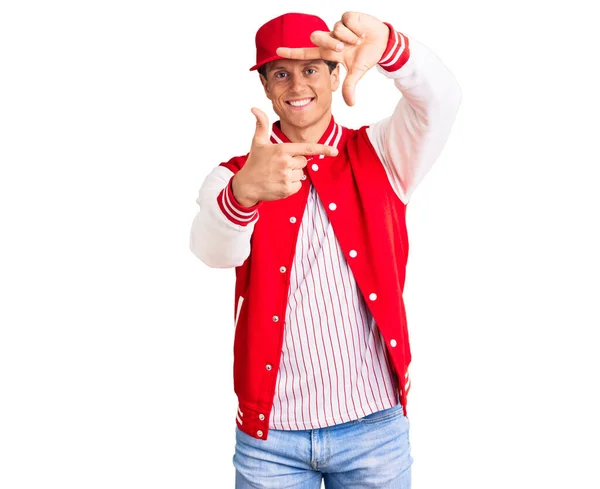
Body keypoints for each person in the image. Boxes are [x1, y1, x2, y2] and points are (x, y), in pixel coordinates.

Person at [189, 10, 461, 489]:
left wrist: (392, 49)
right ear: (267, 88)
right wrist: (243, 194)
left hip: (374, 427)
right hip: (270, 438)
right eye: (281, 73)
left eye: (312, 68)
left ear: (336, 74)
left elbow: (441, 101)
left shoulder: (383, 152)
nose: (297, 84)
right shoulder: (233, 175)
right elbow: (212, 251)